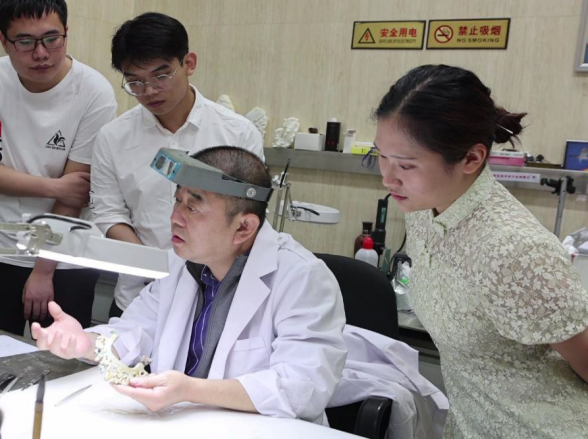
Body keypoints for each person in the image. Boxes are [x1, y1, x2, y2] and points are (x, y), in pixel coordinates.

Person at [34, 147, 346, 422]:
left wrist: (190, 390)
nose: (175, 217)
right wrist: (87, 343)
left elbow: (301, 387)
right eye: (178, 200)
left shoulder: (302, 278)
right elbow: (138, 330)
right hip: (184, 424)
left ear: (244, 227)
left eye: (193, 208)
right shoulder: (181, 262)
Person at [373, 64, 588, 438]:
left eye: (406, 165)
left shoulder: (515, 251)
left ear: (471, 159)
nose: (387, 178)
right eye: (381, 156)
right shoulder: (423, 209)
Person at [90, 12, 264, 319]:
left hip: (213, 299)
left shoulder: (237, 134)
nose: (149, 91)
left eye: (161, 76)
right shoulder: (113, 137)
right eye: (135, 82)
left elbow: (248, 217)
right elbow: (108, 212)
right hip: (138, 297)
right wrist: (153, 265)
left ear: (189, 63)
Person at [0, 0, 117, 334]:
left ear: (66, 33)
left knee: (61, 361)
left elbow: (76, 192)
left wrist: (44, 270)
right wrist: (54, 186)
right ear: (3, 41)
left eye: (52, 39)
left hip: (66, 258)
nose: (41, 53)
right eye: (25, 42)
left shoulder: (95, 92)